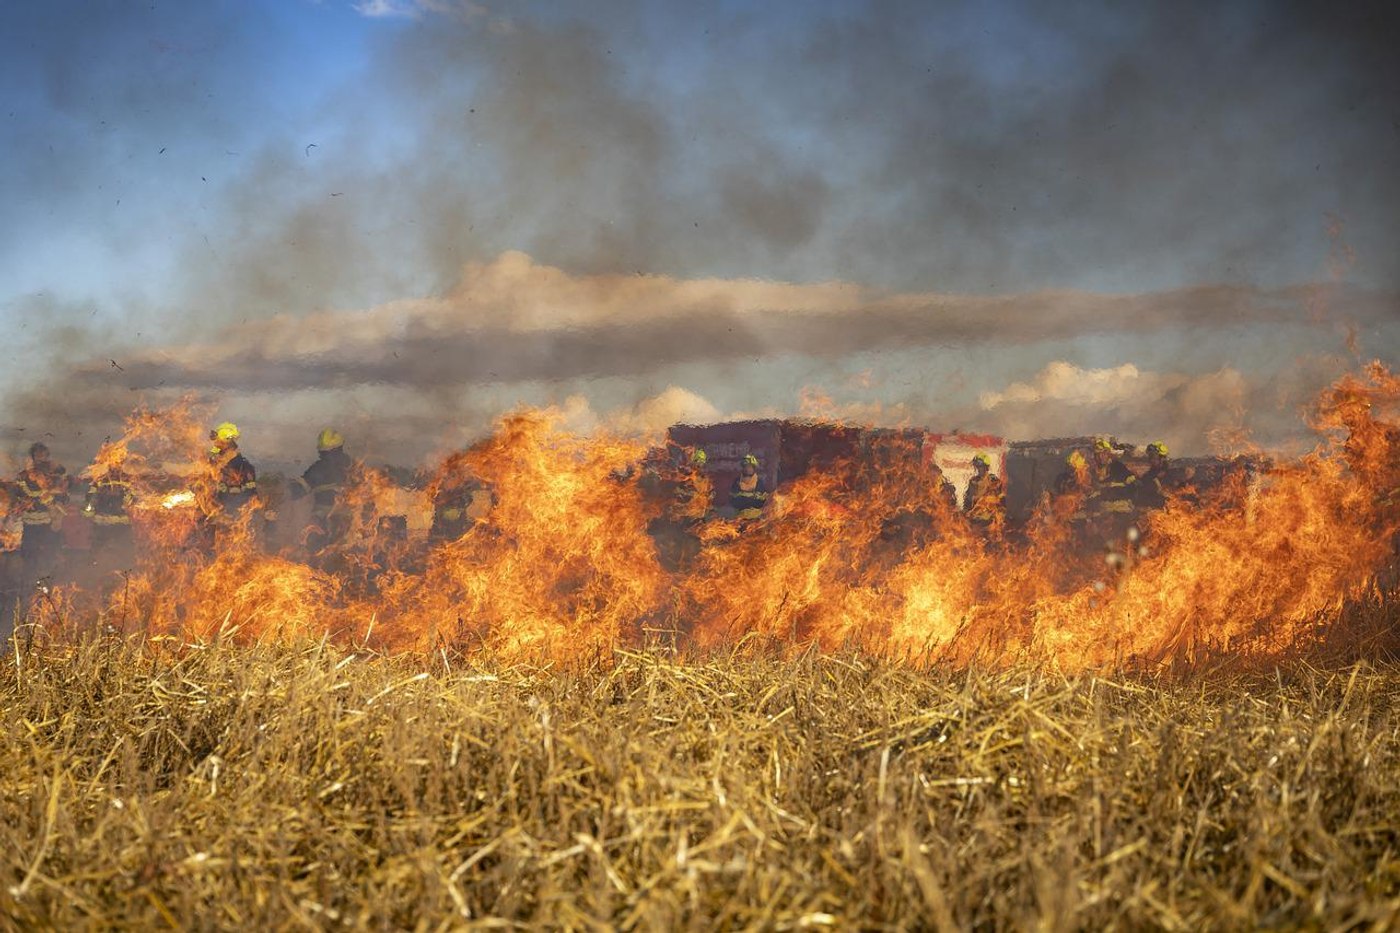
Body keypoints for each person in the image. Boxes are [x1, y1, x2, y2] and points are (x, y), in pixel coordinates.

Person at [292, 428, 353, 555]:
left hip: (324, 521)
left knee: (317, 552)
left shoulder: (318, 469)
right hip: (349, 521)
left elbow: (298, 490)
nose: (328, 459)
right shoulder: (354, 466)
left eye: (328, 453)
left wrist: (281, 493)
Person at [15, 442, 70, 584]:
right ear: (32, 457)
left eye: (43, 455)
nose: (40, 458)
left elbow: (64, 497)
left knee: (49, 555)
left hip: (49, 523)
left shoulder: (55, 475)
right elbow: (18, 495)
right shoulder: (23, 476)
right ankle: (28, 584)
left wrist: (53, 499)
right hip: (30, 523)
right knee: (29, 556)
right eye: (36, 455)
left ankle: (49, 585)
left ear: (47, 457)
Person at [83, 442, 137, 571]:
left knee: (123, 552)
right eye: (113, 461)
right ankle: (94, 573)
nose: (116, 464)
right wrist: (89, 511)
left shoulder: (127, 479)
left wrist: (124, 498)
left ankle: (124, 575)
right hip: (102, 522)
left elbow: (132, 499)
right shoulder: (100, 479)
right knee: (97, 553)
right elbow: (90, 497)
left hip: (121, 524)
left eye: (118, 461)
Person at [963, 452, 1005, 534]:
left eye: (980, 466)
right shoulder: (973, 481)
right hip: (975, 520)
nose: (978, 469)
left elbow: (999, 501)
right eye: (976, 466)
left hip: (989, 520)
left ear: (986, 467)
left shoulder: (993, 480)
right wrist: (966, 513)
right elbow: (968, 500)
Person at [729, 453, 770, 519]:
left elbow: (762, 501)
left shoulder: (759, 482)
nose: (748, 469)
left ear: (754, 468)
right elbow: (733, 501)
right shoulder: (736, 482)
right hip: (741, 517)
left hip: (756, 518)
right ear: (743, 468)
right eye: (746, 466)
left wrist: (747, 498)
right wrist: (750, 498)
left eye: (750, 467)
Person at [1134, 441, 1170, 511]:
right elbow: (1146, 478)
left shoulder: (1167, 471)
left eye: (1153, 457)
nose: (1151, 460)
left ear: (1161, 458)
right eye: (1150, 457)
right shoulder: (1153, 470)